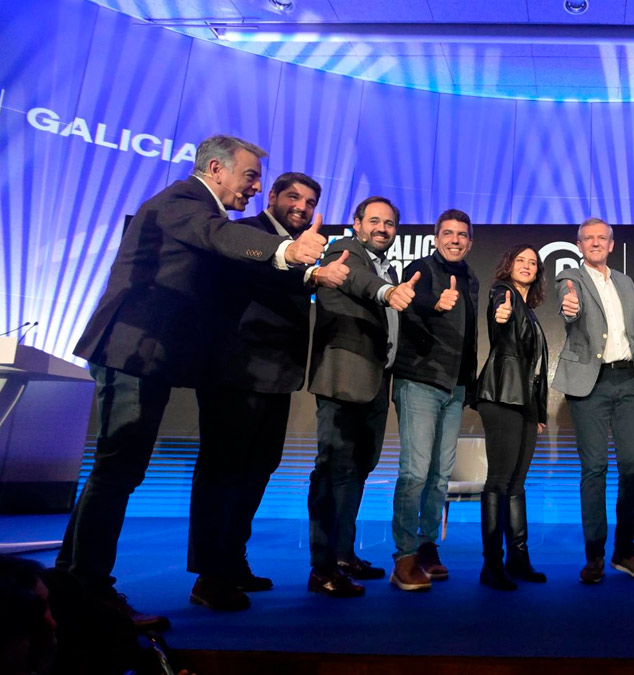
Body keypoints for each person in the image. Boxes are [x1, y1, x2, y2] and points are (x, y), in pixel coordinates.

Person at [63, 134, 326, 628]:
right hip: (135, 350)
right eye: (249, 175)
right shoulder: (183, 202)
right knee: (117, 471)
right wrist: (288, 252)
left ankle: (73, 581)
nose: (254, 186)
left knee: (115, 470)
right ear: (215, 168)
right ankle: (88, 589)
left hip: (152, 357)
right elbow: (218, 238)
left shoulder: (199, 209)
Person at [187, 171, 352, 611]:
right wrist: (310, 276)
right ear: (274, 197)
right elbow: (253, 277)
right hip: (233, 372)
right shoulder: (247, 233)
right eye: (294, 197)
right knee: (222, 471)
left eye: (311, 201)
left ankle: (231, 560)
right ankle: (208, 575)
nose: (302, 206)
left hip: (277, 375)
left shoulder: (301, 248)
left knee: (258, 468)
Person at [307, 196, 417, 597]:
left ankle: (342, 554)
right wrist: (387, 293)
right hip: (343, 380)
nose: (382, 229)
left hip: (374, 382)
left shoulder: (385, 265)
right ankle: (321, 569)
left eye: (389, 223)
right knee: (332, 471)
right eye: (374, 221)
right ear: (357, 224)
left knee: (356, 472)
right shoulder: (345, 252)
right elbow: (355, 279)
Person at [553, 217, 634, 584]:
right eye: (588, 238)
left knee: (632, 467)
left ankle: (624, 552)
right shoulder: (570, 277)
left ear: (612, 244)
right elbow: (570, 305)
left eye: (602, 238)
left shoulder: (626, 283)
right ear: (579, 245)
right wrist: (570, 307)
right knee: (594, 469)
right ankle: (594, 555)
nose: (595, 243)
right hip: (590, 385)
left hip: (627, 380)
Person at [389, 209, 479, 591]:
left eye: (461, 234)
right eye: (448, 233)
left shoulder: (471, 278)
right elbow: (410, 302)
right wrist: (434, 304)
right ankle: (404, 556)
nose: (455, 239)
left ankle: (427, 546)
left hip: (454, 388)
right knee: (415, 472)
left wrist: (468, 385)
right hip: (420, 381)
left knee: (439, 476)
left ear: (470, 240)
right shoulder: (421, 268)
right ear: (436, 237)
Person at [474, 245, 550, 590]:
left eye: (533, 263)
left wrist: (536, 411)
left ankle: (517, 558)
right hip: (501, 394)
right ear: (509, 265)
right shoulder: (502, 293)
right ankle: (491, 566)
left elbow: (533, 367)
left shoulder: (529, 309)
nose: (527, 266)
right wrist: (500, 316)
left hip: (524, 403)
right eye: (521, 259)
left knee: (517, 483)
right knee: (500, 481)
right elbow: (498, 317)